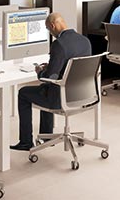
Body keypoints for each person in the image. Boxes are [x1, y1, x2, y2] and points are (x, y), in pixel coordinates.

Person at [10, 13, 92, 151]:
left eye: (48, 29)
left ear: (52, 26)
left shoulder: (58, 44)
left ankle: (26, 142)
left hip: (61, 99)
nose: (50, 33)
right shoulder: (84, 40)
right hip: (83, 95)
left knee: (24, 92)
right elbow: (72, 67)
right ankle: (47, 136)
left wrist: (39, 71)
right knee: (45, 89)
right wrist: (52, 66)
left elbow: (50, 78)